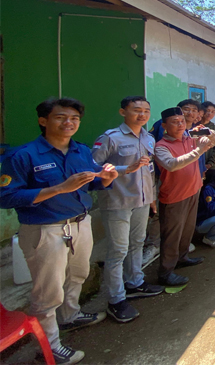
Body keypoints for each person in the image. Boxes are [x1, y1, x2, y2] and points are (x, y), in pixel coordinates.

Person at [0, 98, 118, 364]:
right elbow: (6, 197)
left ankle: (70, 316)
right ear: (43, 121)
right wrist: (57, 189)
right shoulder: (23, 156)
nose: (69, 123)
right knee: (48, 290)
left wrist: (106, 179)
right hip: (45, 229)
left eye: (74, 118)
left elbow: (92, 185)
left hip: (80, 222)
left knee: (78, 274)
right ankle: (49, 346)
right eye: (60, 117)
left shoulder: (81, 151)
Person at [91, 96, 164, 324]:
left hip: (141, 201)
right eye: (136, 110)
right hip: (117, 203)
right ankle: (116, 300)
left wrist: (151, 197)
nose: (142, 114)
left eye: (146, 110)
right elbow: (93, 168)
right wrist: (125, 168)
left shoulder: (149, 138)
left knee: (137, 243)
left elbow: (149, 170)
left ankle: (135, 283)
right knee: (118, 251)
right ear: (123, 112)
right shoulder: (110, 138)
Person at [154, 107, 215, 286]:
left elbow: (213, 141)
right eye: (174, 122)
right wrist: (199, 149)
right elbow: (172, 165)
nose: (179, 125)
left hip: (193, 191)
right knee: (171, 236)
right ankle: (166, 272)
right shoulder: (162, 146)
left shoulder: (190, 139)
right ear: (164, 126)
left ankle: (182, 258)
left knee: (187, 230)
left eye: (182, 121)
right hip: (174, 198)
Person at [200, 101, 215, 171]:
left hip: (211, 166)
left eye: (213, 112)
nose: (210, 113)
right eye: (208, 111)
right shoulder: (195, 126)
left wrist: (210, 163)